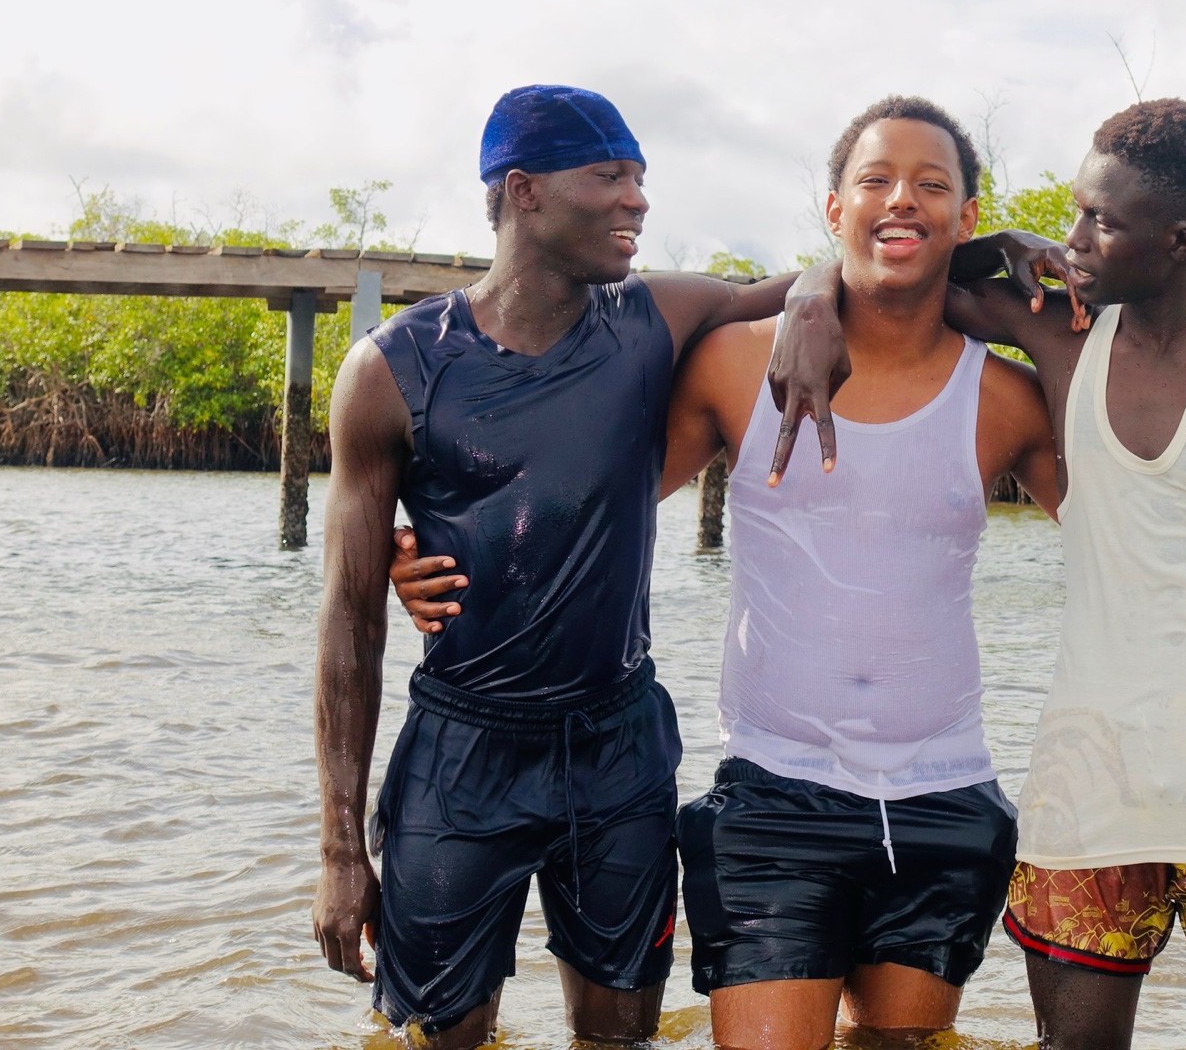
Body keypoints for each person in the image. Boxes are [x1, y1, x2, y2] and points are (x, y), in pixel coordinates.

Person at [395, 96, 1186, 1050]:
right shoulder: (728, 366)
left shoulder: (1003, 398)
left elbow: (1136, 533)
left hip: (944, 797)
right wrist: (424, 541)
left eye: (933, 187)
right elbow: (586, 503)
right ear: (833, 211)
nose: (902, 202)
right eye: (875, 182)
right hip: (773, 791)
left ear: (967, 220)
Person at [775, 97, 1186, 1050]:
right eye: (1071, 211)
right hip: (1087, 788)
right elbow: (896, 265)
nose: (1075, 240)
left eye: (1100, 221)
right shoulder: (1061, 331)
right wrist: (816, 293)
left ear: (1181, 239)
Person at [311, 85, 838, 1047]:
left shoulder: (651, 319)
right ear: (525, 192)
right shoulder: (391, 371)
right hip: (461, 753)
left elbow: (823, 278)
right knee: (441, 1037)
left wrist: (808, 299)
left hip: (617, 748)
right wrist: (342, 849)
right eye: (610, 176)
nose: (637, 200)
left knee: (620, 1036)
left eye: (640, 177)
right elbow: (350, 617)